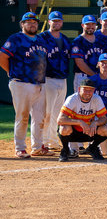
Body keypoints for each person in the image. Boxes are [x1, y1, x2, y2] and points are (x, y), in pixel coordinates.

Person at [0, 12, 52, 158]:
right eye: (28, 22)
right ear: (22, 24)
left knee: (40, 117)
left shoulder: (41, 40)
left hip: (39, 84)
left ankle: (37, 147)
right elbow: (2, 56)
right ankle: (20, 147)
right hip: (21, 83)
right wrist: (11, 72)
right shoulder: (16, 38)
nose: (32, 24)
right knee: (22, 117)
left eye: (34, 22)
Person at [38, 11, 70, 152]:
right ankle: (44, 141)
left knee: (57, 112)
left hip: (62, 79)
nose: (56, 23)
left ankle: (52, 140)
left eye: (59, 21)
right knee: (47, 112)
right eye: (54, 21)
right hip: (47, 79)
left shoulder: (65, 39)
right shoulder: (42, 37)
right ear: (49, 22)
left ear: (62, 22)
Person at [57, 78, 107, 162]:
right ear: (79, 89)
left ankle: (92, 148)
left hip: (88, 131)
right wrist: (79, 122)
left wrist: (96, 123)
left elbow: (104, 118)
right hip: (73, 132)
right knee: (64, 128)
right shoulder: (72, 99)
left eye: (90, 90)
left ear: (94, 91)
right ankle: (65, 150)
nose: (88, 93)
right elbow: (60, 120)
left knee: (106, 130)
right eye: (85, 90)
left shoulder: (97, 99)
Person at [71, 15, 101, 91]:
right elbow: (80, 63)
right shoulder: (78, 41)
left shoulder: (100, 40)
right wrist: (94, 75)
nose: (90, 26)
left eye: (93, 24)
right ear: (82, 25)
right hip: (83, 77)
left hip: (98, 77)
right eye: (87, 24)